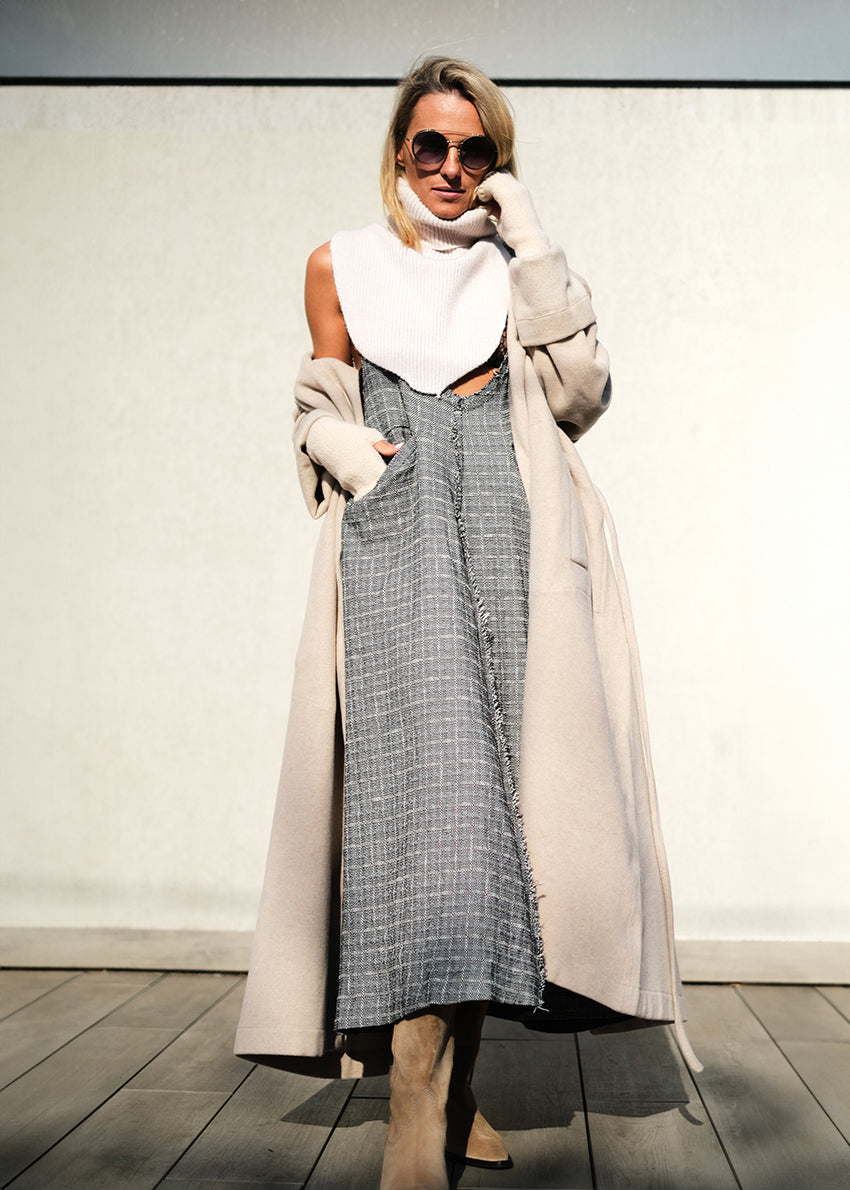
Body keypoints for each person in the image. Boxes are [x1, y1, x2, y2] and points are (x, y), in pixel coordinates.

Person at [235, 56, 700, 1190]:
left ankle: (456, 1084)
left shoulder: (515, 271)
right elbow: (319, 395)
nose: (450, 168)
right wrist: (351, 455)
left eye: (475, 150)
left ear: (498, 163)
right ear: (400, 148)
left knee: (511, 817)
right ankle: (412, 1098)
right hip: (402, 537)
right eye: (430, 145)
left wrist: (530, 237)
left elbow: (580, 393)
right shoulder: (337, 261)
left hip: (513, 532)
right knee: (431, 817)